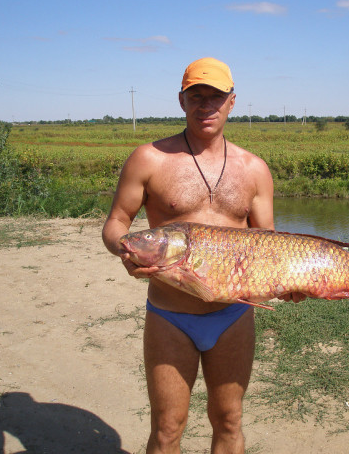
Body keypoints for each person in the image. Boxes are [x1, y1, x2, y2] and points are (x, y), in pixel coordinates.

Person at [102, 57, 302, 453]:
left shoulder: (255, 169)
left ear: (232, 102)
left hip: (233, 315)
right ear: (182, 100)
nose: (205, 105)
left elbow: (268, 243)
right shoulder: (149, 159)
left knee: (229, 421)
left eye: (216, 97)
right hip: (169, 316)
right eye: (197, 96)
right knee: (167, 429)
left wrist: (288, 281)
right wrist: (124, 252)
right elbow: (116, 224)